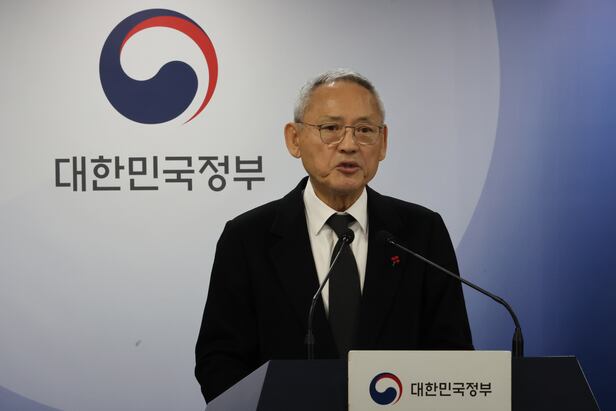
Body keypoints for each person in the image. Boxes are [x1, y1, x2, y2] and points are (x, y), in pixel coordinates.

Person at [195, 69, 473, 403]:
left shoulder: (421, 232)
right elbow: (219, 361)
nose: (349, 145)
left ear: (383, 142)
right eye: (331, 129)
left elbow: (453, 355)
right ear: (294, 139)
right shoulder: (247, 238)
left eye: (365, 130)